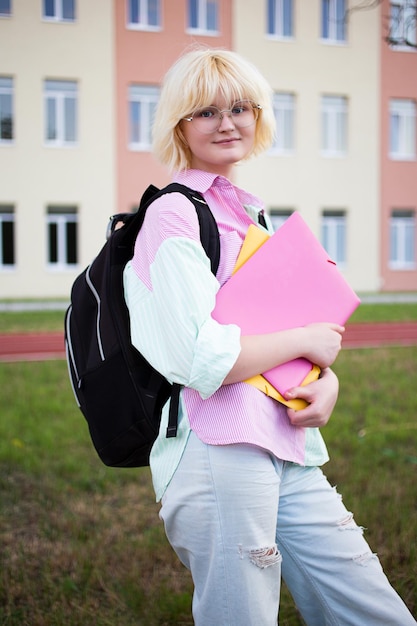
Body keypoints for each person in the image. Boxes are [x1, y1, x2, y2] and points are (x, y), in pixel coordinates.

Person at [123, 48, 416, 626]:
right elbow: (202, 358)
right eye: (206, 111)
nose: (227, 122)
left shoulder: (250, 216)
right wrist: (306, 336)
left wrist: (324, 382)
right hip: (219, 450)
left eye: (240, 107)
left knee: (368, 602)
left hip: (285, 441)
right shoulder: (173, 216)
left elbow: (280, 331)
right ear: (179, 125)